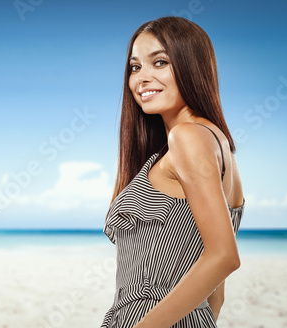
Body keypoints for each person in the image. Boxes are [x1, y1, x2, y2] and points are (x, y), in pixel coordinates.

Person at [100, 16, 245, 328]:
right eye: (135, 67)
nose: (142, 78)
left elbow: (223, 256)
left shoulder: (188, 137)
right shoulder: (218, 145)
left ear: (192, 67)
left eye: (160, 62)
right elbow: (215, 296)